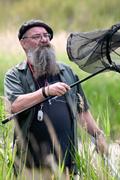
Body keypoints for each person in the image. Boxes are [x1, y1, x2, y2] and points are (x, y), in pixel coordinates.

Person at [4, 19, 108, 179]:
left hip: (66, 163)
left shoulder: (67, 72)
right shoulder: (15, 75)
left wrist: (98, 135)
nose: (44, 39)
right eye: (37, 36)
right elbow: (15, 105)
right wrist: (45, 92)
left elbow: (82, 111)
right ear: (23, 43)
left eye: (46, 36)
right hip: (30, 164)